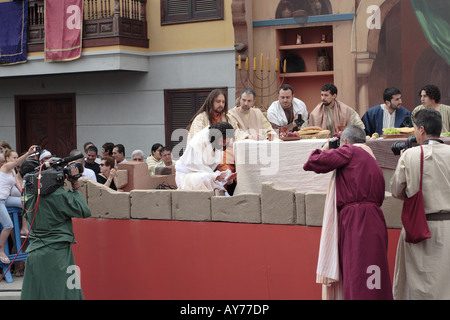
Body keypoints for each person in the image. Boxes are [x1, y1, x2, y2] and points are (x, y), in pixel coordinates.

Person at [303, 125, 392, 300]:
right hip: (375, 218)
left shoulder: (350, 151)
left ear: (345, 142)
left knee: (357, 272)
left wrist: (326, 147)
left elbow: (313, 162)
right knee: (374, 274)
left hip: (356, 220)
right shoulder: (372, 159)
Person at [390, 108, 450, 300]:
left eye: (415, 128)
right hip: (448, 229)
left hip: (421, 227)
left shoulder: (410, 155)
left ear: (422, 129)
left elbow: (396, 191)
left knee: (420, 286)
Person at [20, 158, 91, 300]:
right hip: (57, 255)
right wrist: (75, 183)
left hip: (35, 254)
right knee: (62, 293)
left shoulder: (27, 196)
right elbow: (84, 210)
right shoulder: (58, 195)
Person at [175, 122, 237, 195]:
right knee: (205, 178)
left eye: (226, 141)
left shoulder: (217, 143)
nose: (224, 144)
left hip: (206, 174)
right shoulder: (199, 142)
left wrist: (226, 177)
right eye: (223, 141)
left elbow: (211, 170)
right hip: (186, 176)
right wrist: (216, 176)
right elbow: (197, 168)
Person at [0, 145, 37, 264]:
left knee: (26, 202)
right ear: (7, 159)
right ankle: (1, 250)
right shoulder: (5, 167)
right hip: (0, 200)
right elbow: (20, 162)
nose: (16, 160)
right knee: (8, 225)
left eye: (17, 157)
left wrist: (27, 195)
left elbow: (20, 188)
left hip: (6, 199)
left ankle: (25, 229)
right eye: (13, 158)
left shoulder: (13, 172)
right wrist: (28, 153)